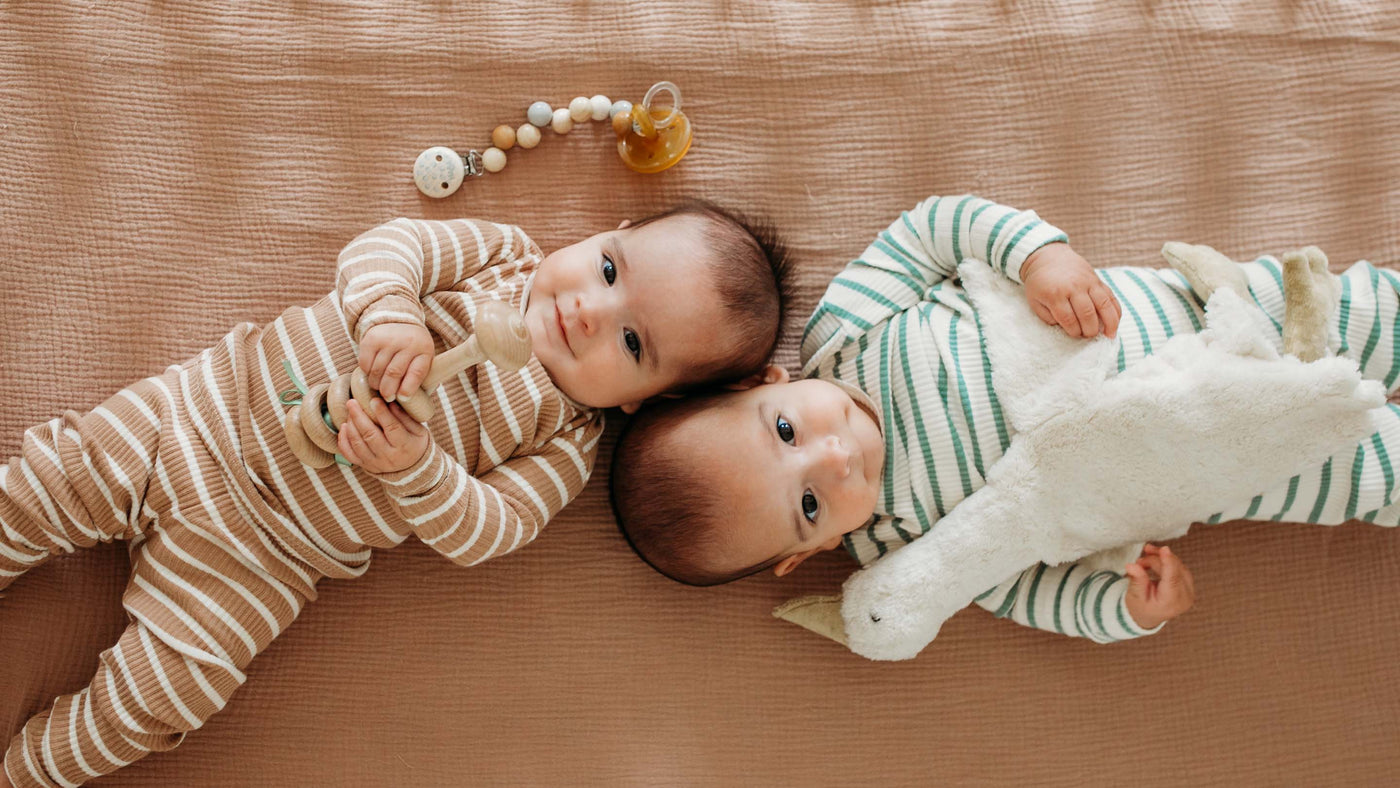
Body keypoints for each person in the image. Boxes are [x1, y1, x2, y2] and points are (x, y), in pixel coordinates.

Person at [0, 200, 791, 788]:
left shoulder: (565, 443)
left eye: (632, 342)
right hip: (196, 416)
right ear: (603, 231)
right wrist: (391, 314)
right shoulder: (504, 254)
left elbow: (489, 530)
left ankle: (31, 766)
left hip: (264, 558)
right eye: (611, 268)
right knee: (49, 480)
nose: (590, 309)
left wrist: (417, 468)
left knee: (173, 691)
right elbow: (391, 244)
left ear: (642, 402)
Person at [611, 193, 1400, 646]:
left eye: (785, 430)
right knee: (1375, 475)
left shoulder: (846, 333)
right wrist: (1125, 609)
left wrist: (1035, 256)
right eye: (811, 503)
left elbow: (930, 229)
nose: (834, 455)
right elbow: (1033, 595)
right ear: (806, 552)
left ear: (765, 379)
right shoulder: (910, 547)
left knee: (1376, 311)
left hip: (1214, 310)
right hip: (1249, 447)